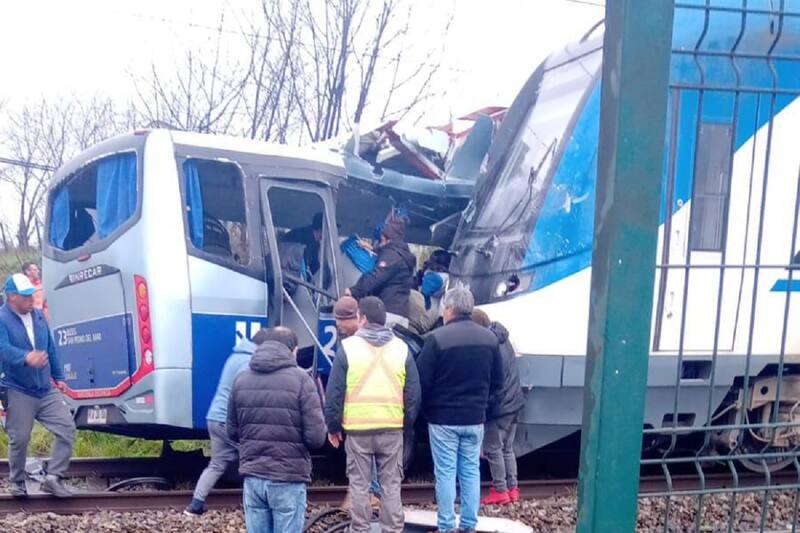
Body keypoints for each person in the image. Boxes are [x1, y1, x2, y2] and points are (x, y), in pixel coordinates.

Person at [325, 296, 421, 533]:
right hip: (391, 428)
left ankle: (360, 529)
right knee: (391, 485)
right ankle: (392, 530)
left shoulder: (347, 348)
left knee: (359, 485)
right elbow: (413, 394)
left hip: (358, 430)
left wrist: (333, 426)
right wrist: (405, 424)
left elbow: (334, 391)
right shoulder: (402, 348)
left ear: (363, 319)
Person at [416, 287, 503, 533]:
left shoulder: (436, 339)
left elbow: (423, 380)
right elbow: (498, 382)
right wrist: (484, 408)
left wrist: (427, 411)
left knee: (445, 472)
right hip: (475, 418)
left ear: (450, 309)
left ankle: (445, 525)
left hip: (443, 419)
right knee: (470, 471)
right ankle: (468, 525)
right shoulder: (489, 339)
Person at [227, 327, 326, 533]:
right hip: (288, 477)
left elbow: (232, 431)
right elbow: (316, 438)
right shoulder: (302, 380)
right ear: (294, 351)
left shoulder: (241, 379)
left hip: (253, 476)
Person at [0, 274, 75, 498]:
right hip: (17, 388)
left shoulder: (39, 316)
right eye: (26, 296)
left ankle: (53, 478)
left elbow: (50, 348)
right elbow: (2, 348)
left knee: (66, 428)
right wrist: (25, 357)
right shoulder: (1, 318)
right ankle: (18, 482)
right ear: (12, 297)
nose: (31, 299)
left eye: (32, 294)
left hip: (45, 388)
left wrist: (59, 377)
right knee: (20, 438)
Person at [185, 329, 270, 516]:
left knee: (217, 464)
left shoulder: (235, 356)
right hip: (227, 420)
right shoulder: (248, 362)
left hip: (214, 417)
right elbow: (245, 393)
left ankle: (195, 506)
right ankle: (258, 505)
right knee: (256, 458)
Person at [472, 309, 524, 506]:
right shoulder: (503, 338)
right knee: (507, 449)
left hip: (500, 406)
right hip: (515, 401)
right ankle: (513, 488)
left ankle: (500, 490)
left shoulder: (490, 345)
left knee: (493, 449)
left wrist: (485, 410)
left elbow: (495, 383)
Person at [347, 215, 416, 328]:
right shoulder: (401, 254)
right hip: (400, 313)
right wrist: (372, 249)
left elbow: (376, 277)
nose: (379, 244)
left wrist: (353, 291)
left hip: (387, 314)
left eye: (381, 240)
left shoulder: (392, 255)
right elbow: (386, 255)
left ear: (387, 239)